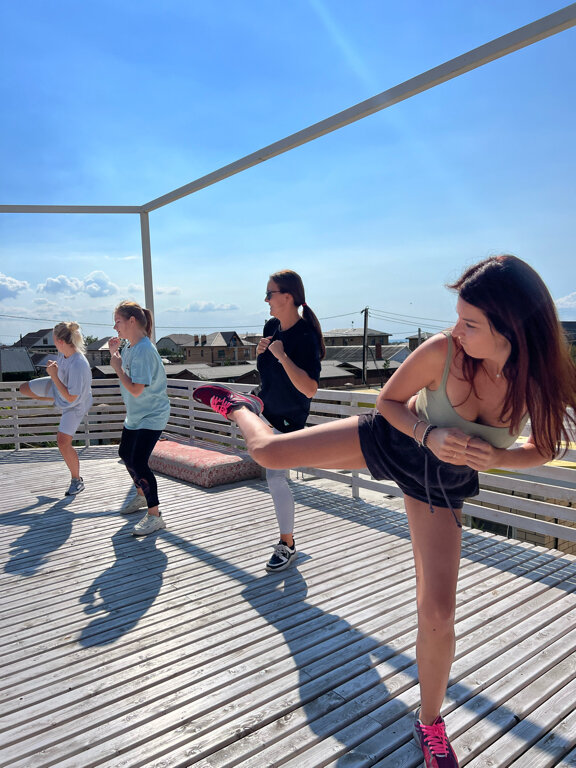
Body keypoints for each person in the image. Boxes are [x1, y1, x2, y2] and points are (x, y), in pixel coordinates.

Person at [193, 255, 576, 767]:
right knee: (267, 453)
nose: (456, 331)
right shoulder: (442, 351)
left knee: (437, 611)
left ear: (510, 328)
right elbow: (387, 404)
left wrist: (500, 458)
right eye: (457, 317)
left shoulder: (538, 381)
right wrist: (428, 433)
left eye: (470, 323)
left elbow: (546, 446)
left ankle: (430, 724)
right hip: (394, 439)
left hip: (440, 484)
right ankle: (241, 406)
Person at [255, 269, 324, 572]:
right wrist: (261, 352)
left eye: (269, 294)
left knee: (275, 478)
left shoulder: (306, 337)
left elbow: (309, 389)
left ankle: (288, 544)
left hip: (287, 420)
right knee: (272, 476)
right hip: (265, 410)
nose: (266, 299)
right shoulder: (272, 326)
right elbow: (268, 373)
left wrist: (282, 357)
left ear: (287, 296)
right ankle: (242, 406)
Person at [109, 301, 170, 536]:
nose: (115, 327)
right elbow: (126, 373)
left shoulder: (144, 349)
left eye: (118, 321)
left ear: (132, 321)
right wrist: (115, 355)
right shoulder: (130, 347)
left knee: (139, 461)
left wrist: (117, 367)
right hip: (136, 414)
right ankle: (142, 494)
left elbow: (136, 389)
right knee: (125, 454)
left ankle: (155, 516)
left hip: (152, 414)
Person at [19, 321, 93, 496]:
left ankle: (77, 481)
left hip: (75, 404)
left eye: (53, 339)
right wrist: (56, 372)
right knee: (24, 388)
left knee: (62, 441)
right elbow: (62, 379)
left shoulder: (79, 364)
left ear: (60, 341)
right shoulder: (64, 353)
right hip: (59, 389)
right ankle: (57, 400)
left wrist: (53, 375)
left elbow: (71, 397)